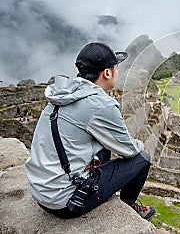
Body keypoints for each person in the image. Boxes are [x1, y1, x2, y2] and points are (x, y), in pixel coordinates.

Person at [25, 42, 155, 220]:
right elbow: (129, 150)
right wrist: (138, 144)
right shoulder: (100, 104)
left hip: (40, 192)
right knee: (142, 160)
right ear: (107, 72)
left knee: (102, 147)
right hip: (66, 202)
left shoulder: (61, 93)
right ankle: (129, 209)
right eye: (116, 67)